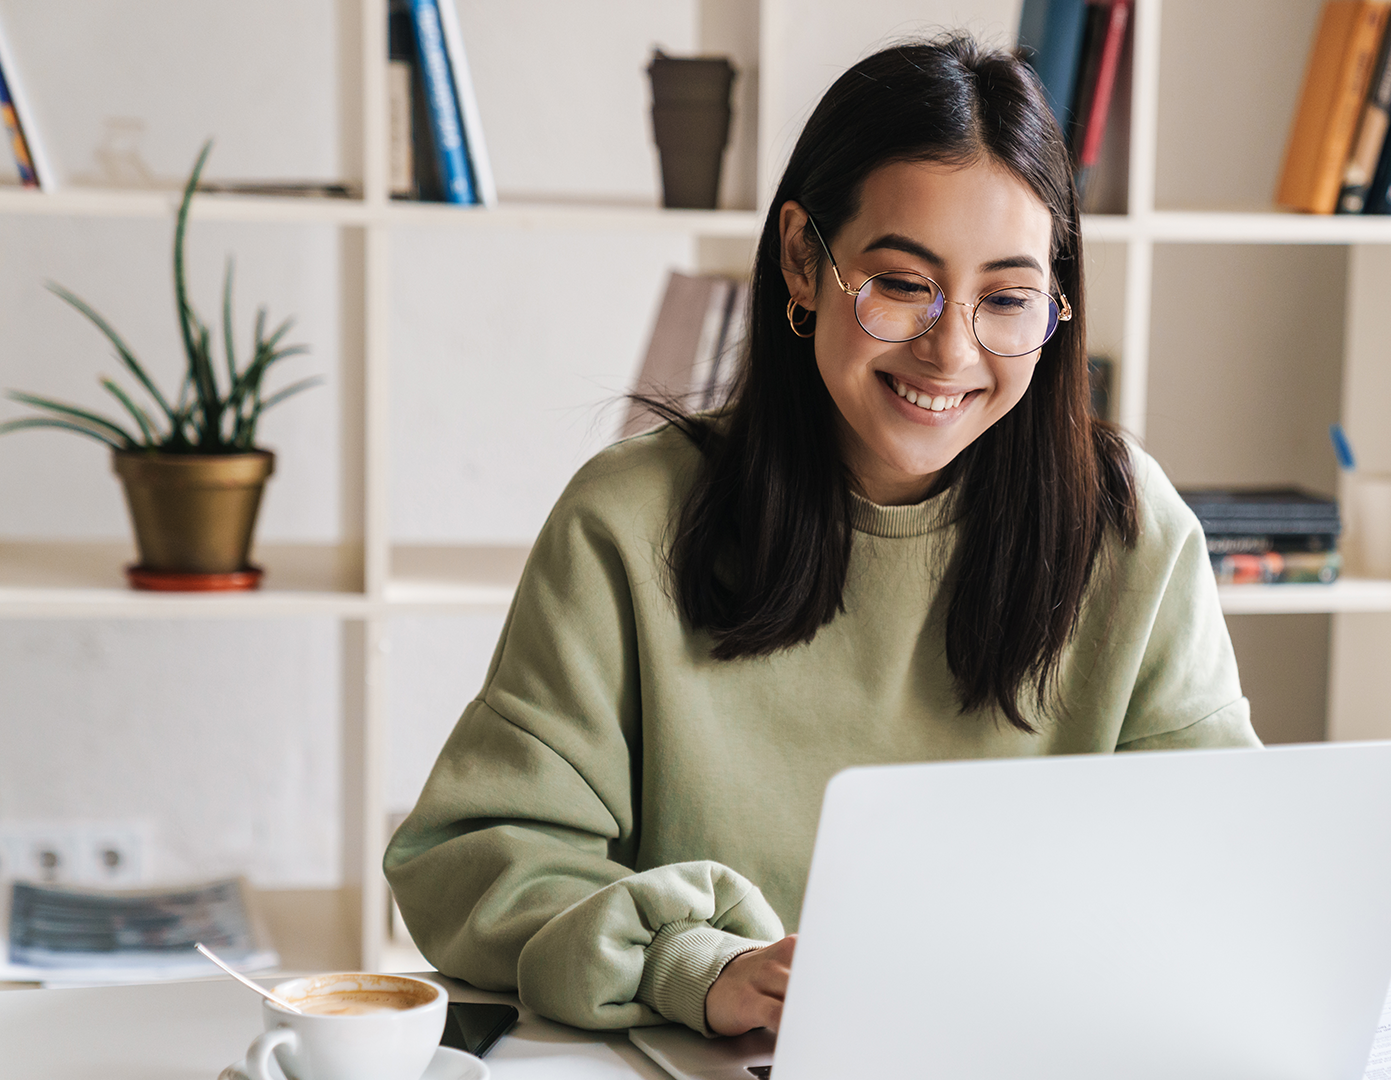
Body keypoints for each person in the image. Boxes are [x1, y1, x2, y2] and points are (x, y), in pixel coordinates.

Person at [385, 34, 1257, 1038]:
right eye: (900, 282)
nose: (951, 349)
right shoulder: (629, 524)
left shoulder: (1131, 532)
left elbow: (1218, 864)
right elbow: (474, 857)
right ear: (804, 258)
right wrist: (689, 962)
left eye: (1008, 299)